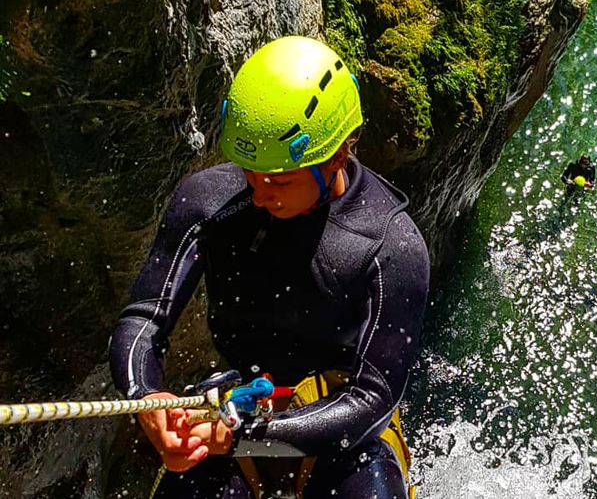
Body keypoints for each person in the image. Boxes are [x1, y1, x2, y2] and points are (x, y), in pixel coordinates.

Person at [108, 36, 429, 499]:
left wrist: (249, 434)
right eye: (249, 171)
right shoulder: (207, 201)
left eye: (279, 179)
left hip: (339, 434)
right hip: (233, 411)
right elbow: (144, 318)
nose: (259, 193)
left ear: (337, 155)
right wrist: (145, 395)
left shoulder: (389, 243)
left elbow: (372, 400)